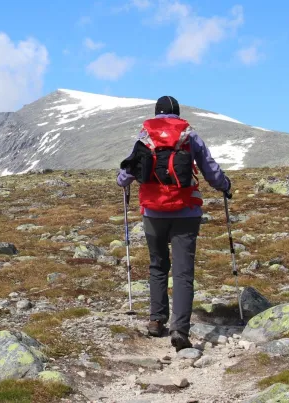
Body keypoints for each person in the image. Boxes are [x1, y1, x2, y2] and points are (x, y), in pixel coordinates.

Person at [116, 95, 232, 352]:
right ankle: (179, 329)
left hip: (153, 213)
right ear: (177, 113)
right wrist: (225, 186)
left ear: (156, 112)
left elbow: (127, 172)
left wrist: (122, 181)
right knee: (182, 272)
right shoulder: (189, 135)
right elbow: (210, 169)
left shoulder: (145, 136)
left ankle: (157, 320)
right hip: (186, 212)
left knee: (157, 265)